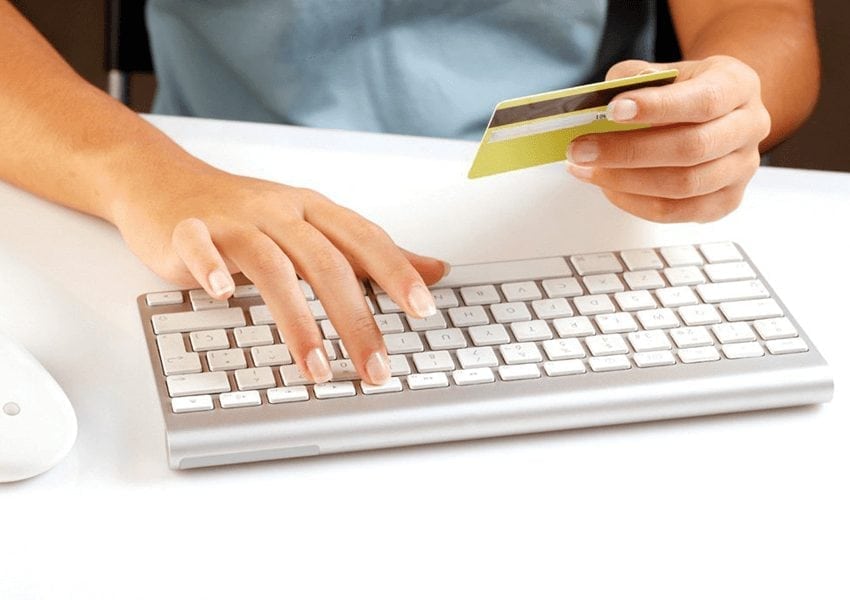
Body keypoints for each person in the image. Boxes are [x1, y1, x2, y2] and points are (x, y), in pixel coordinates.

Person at [0, 1, 819, 387]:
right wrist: (139, 170)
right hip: (214, 194)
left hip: (572, 202)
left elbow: (765, 19)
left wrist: (724, 106)